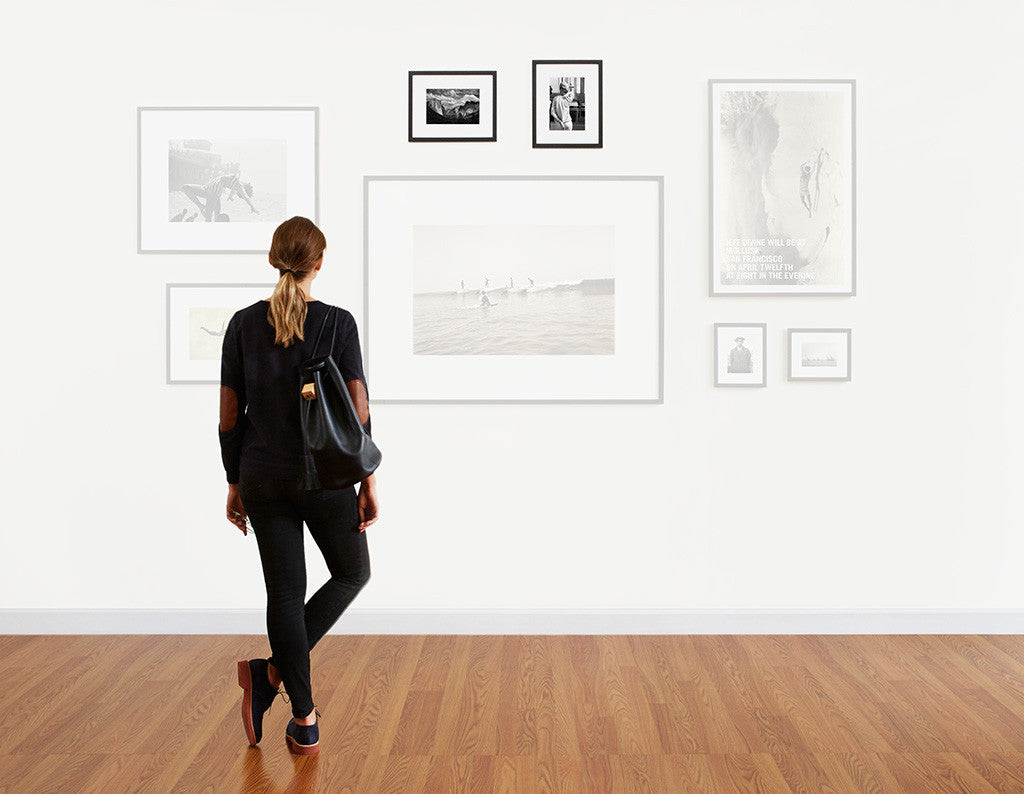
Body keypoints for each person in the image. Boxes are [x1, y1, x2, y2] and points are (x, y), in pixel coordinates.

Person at [219, 216, 379, 755]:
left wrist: (234, 480)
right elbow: (357, 410)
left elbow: (229, 415)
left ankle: (303, 717)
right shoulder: (337, 322)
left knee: (285, 593)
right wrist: (367, 479)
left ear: (274, 259)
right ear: (319, 263)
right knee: (352, 572)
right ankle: (268, 675)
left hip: (262, 475)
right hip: (324, 477)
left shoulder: (242, 325)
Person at [182, 171, 258, 222]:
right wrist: (231, 196)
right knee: (185, 187)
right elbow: (234, 189)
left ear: (246, 189)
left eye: (249, 186)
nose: (249, 184)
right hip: (206, 188)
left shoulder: (240, 186)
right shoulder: (237, 182)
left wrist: (252, 207)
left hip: (213, 194)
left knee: (209, 218)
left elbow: (245, 196)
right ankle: (200, 206)